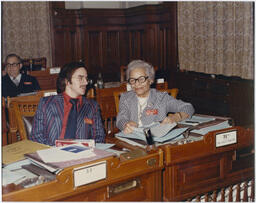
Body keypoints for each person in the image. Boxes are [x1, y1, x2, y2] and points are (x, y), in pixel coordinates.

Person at [30, 61, 105, 146]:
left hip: (82, 155)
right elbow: (36, 137)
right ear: (67, 81)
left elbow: (99, 138)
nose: (86, 82)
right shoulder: (46, 104)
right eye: (80, 78)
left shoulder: (92, 106)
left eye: (86, 78)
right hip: (53, 154)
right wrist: (55, 151)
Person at [116, 59, 195, 134]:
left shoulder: (161, 98)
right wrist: (126, 124)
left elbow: (188, 107)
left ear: (150, 80)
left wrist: (176, 117)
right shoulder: (126, 98)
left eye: (141, 79)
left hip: (157, 140)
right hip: (133, 139)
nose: (137, 84)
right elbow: (121, 119)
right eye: (132, 80)